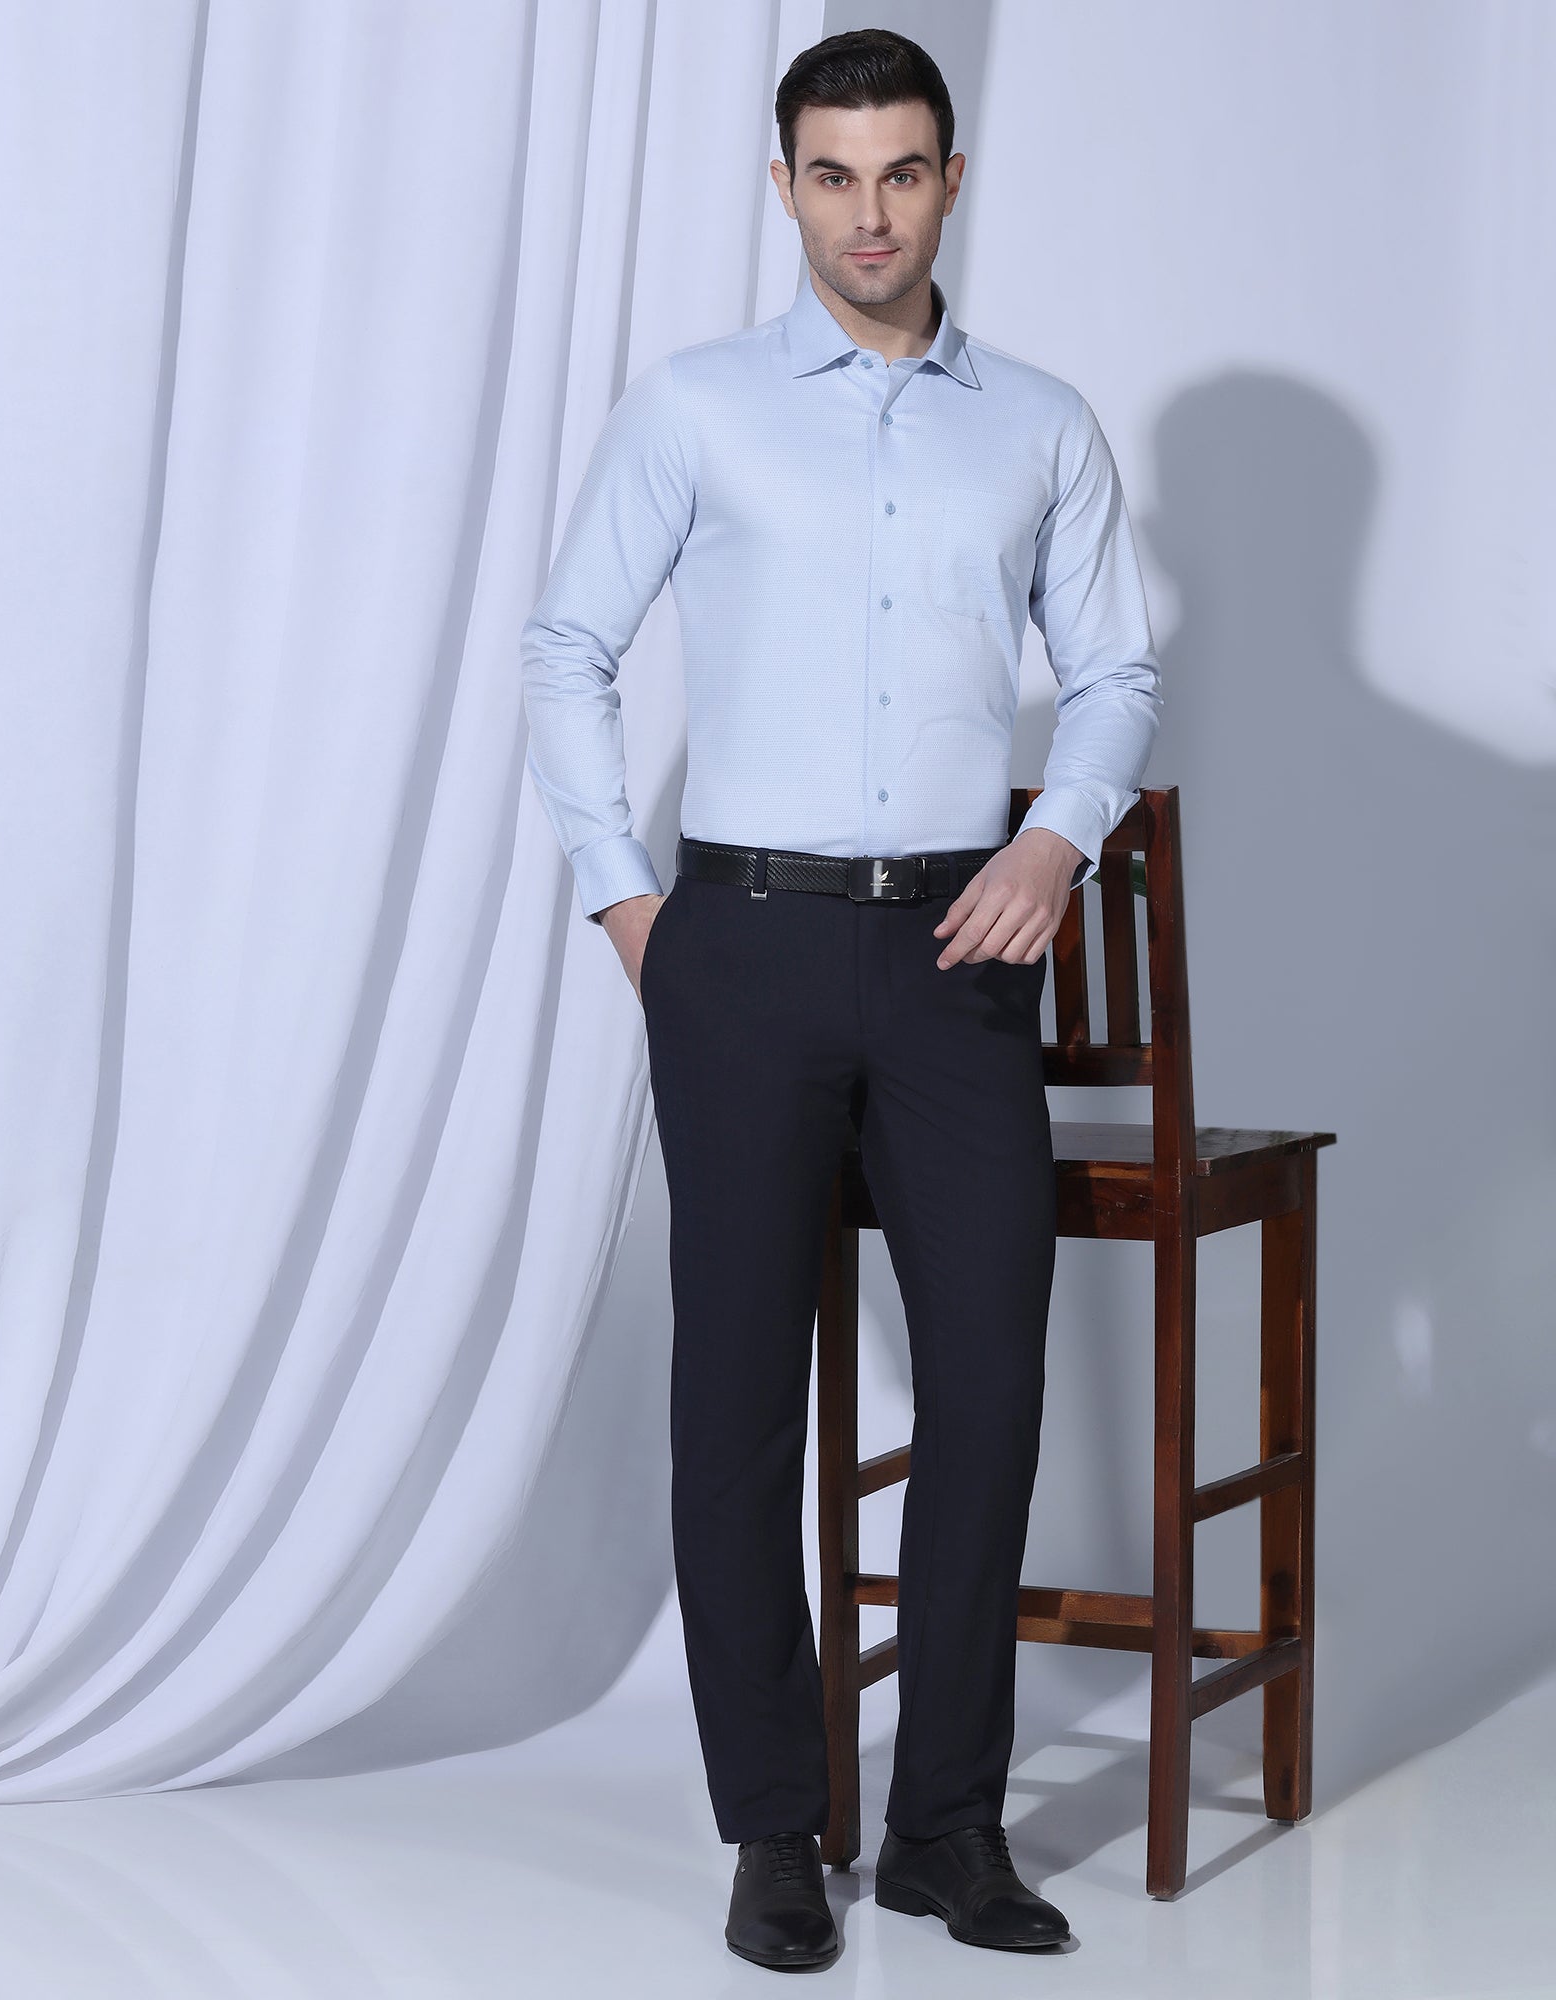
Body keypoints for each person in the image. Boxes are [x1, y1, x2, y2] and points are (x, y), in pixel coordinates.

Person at [520, 25, 1162, 1972]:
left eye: (900, 172)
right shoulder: (696, 408)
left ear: (951, 180)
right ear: (784, 184)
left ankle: (946, 1828)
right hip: (742, 949)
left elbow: (1113, 673)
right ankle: (772, 1830)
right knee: (732, 1398)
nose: (867, 213)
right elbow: (566, 644)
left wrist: (1056, 838)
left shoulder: (1038, 424)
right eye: (832, 174)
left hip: (960, 954)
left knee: (987, 1385)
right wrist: (626, 901)